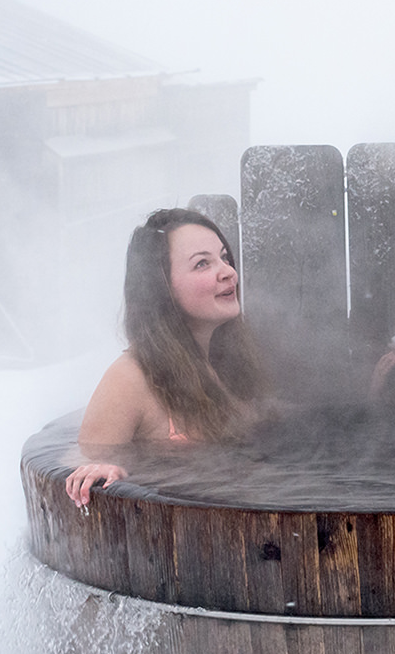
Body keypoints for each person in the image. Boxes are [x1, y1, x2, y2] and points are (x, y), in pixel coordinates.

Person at [63, 208, 270, 510]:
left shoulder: (228, 362)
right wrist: (100, 467)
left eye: (224, 258)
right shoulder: (131, 377)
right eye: (202, 264)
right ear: (162, 289)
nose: (229, 272)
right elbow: (81, 460)